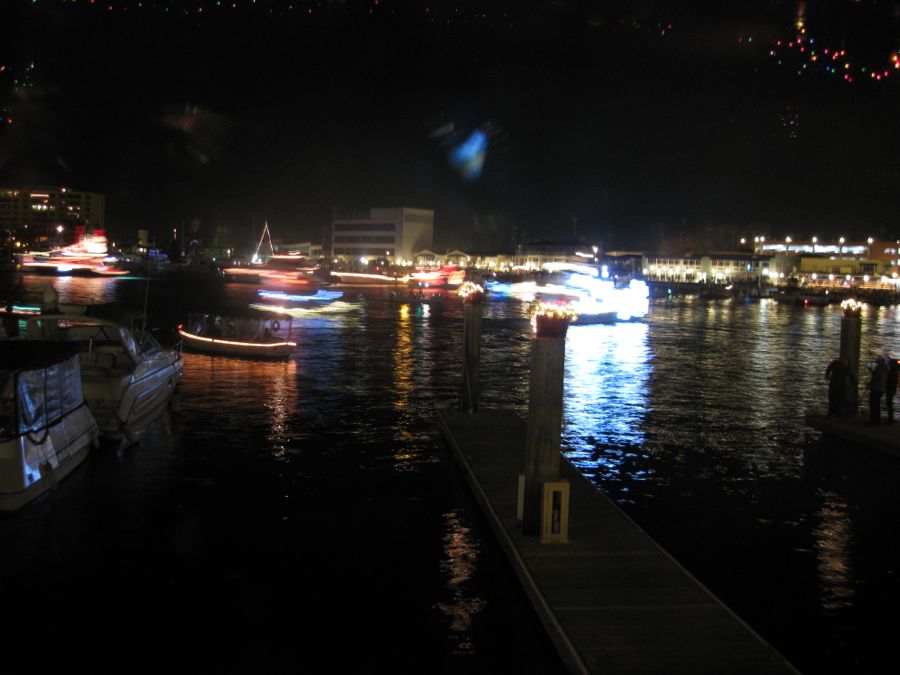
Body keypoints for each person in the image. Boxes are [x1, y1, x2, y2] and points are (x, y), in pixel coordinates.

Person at [868, 355, 889, 425]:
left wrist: (870, 383)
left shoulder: (879, 367)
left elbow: (876, 377)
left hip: (876, 388)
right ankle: (877, 421)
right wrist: (872, 371)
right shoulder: (886, 367)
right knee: (877, 405)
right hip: (882, 388)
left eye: (877, 361)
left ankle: (873, 421)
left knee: (873, 405)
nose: (876, 362)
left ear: (879, 361)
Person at [885, 355, 899, 425]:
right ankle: (890, 419)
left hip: (890, 389)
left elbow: (890, 380)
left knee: (889, 404)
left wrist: (886, 385)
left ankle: (890, 420)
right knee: (889, 404)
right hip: (892, 389)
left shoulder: (892, 371)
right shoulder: (895, 370)